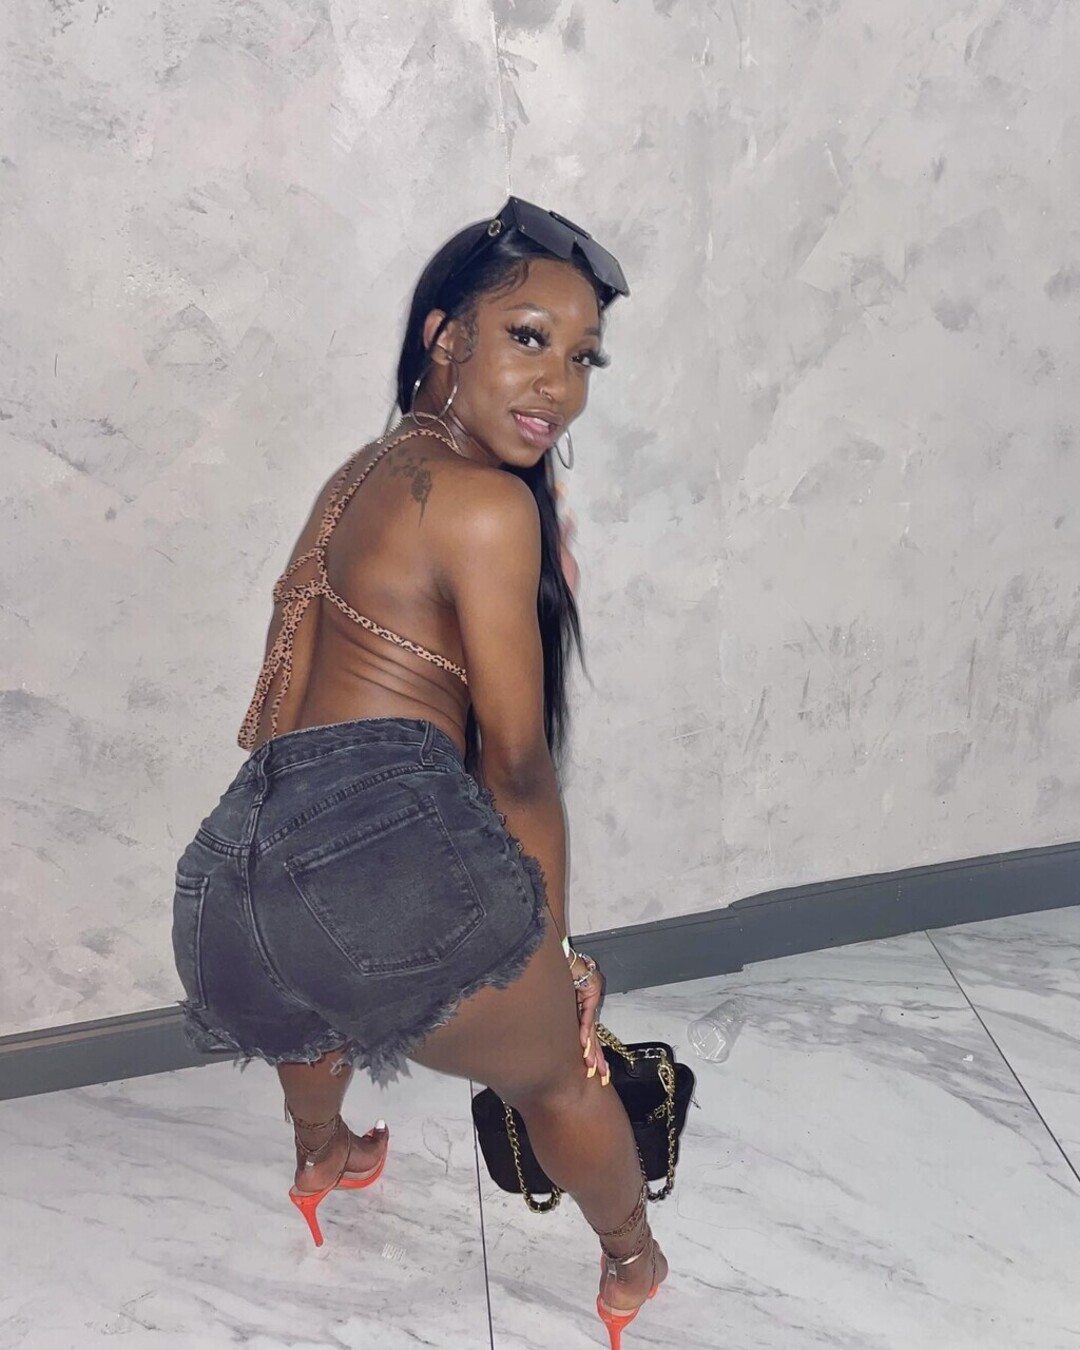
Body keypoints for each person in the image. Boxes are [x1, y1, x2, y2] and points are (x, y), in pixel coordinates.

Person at [172, 197, 667, 1346]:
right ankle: (631, 1261)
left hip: (236, 885)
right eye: (529, 337)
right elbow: (518, 770)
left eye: (582, 357)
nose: (558, 385)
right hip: (375, 890)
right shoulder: (486, 508)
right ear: (447, 336)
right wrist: (553, 957)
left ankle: (324, 1155)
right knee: (559, 1078)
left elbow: (284, 697)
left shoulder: (367, 469)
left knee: (317, 998)